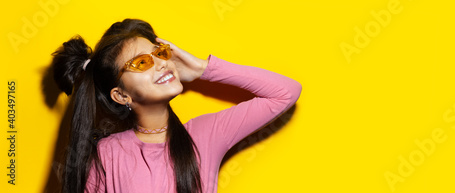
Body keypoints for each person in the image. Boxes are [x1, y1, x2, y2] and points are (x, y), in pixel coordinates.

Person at [51, 18, 302, 193]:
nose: (160, 63)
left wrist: (203, 69)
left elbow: (285, 93)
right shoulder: (106, 154)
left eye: (159, 54)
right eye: (141, 63)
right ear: (121, 96)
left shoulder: (206, 135)